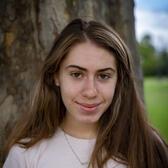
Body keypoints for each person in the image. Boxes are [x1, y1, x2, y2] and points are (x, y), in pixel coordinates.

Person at [2, 18, 168, 168]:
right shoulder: (24, 156)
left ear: (119, 80)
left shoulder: (149, 146)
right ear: (56, 76)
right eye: (76, 74)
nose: (90, 92)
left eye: (103, 76)